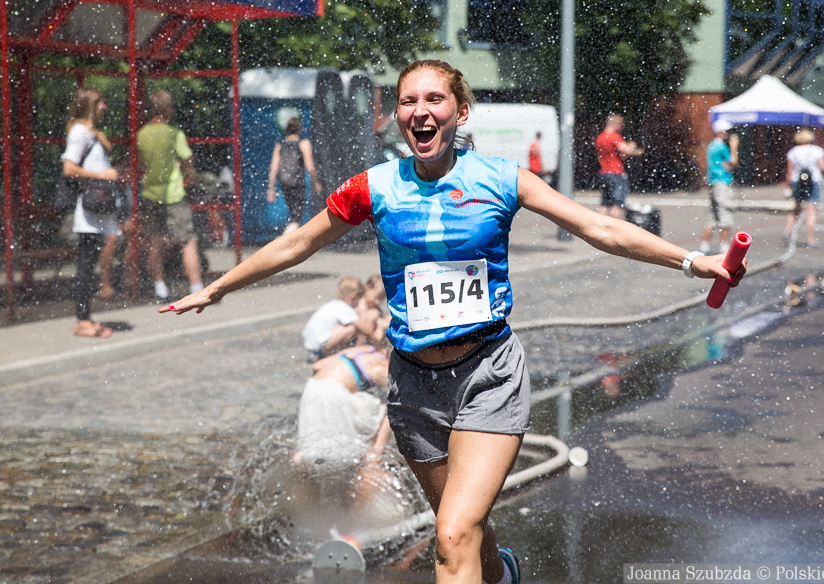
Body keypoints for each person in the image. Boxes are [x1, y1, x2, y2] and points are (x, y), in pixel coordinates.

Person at [161, 59, 744, 584]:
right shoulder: (375, 187)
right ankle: (503, 574)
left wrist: (694, 261)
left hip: (487, 375)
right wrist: (215, 288)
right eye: (408, 101)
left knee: (450, 537)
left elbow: (602, 228)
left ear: (460, 112)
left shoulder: (500, 179)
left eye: (434, 99)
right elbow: (298, 245)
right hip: (413, 386)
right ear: (396, 117)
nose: (420, 111)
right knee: (462, 530)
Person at [60, 88, 120, 338]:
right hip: (89, 210)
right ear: (89, 106)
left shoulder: (91, 133)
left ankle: (85, 315)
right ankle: (82, 320)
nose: (104, 106)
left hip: (99, 208)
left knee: (90, 261)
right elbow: (69, 168)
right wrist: (102, 175)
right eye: (100, 102)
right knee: (85, 264)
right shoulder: (79, 132)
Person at [294, 344, 392, 496]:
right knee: (387, 405)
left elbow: (317, 366)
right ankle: (370, 462)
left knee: (314, 454)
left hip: (312, 392)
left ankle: (302, 469)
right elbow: (396, 407)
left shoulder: (363, 349)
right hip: (333, 397)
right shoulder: (382, 366)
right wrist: (377, 453)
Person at [136, 90, 204, 301]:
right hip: (173, 194)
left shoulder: (142, 134)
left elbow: (140, 164)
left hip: (150, 194)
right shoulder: (174, 133)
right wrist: (188, 178)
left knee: (155, 242)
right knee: (187, 241)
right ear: (166, 109)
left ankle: (160, 287)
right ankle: (196, 287)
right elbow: (188, 159)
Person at [301, 276, 390, 359]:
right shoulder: (345, 308)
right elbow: (364, 329)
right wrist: (377, 339)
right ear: (353, 297)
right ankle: (351, 354)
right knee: (352, 328)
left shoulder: (335, 304)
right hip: (318, 345)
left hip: (311, 343)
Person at [267, 116, 322, 234]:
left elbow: (273, 168)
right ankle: (285, 239)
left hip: (284, 182)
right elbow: (310, 166)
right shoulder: (303, 144)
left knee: (294, 213)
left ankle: (289, 237)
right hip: (297, 182)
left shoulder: (280, 145)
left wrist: (271, 188)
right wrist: (315, 181)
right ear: (300, 129)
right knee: (297, 217)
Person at [97, 154, 135, 299]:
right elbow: (104, 215)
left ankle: (128, 283)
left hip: (123, 230)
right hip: (105, 229)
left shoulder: (132, 189)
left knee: (136, 239)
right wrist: (121, 226)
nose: (128, 176)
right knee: (111, 239)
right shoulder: (109, 188)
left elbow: (139, 213)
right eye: (125, 172)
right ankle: (105, 285)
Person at [783, 129, 824, 248]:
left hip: (797, 180)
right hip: (813, 180)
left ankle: (787, 231)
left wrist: (788, 185)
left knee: (796, 207)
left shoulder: (793, 151)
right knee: (811, 210)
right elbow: (823, 167)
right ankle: (811, 239)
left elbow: (789, 170)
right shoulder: (817, 150)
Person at [700, 119, 738, 255]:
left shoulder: (711, 146)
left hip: (713, 182)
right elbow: (733, 162)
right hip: (722, 182)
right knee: (725, 214)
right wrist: (734, 147)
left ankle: (704, 246)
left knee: (712, 215)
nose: (728, 134)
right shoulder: (721, 146)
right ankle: (724, 246)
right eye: (727, 131)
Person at [594, 113, 639, 219]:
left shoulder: (600, 137)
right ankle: (614, 230)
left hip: (604, 173)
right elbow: (627, 151)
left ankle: (600, 228)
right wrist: (632, 145)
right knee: (616, 205)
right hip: (616, 174)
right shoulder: (614, 137)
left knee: (604, 204)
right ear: (616, 124)